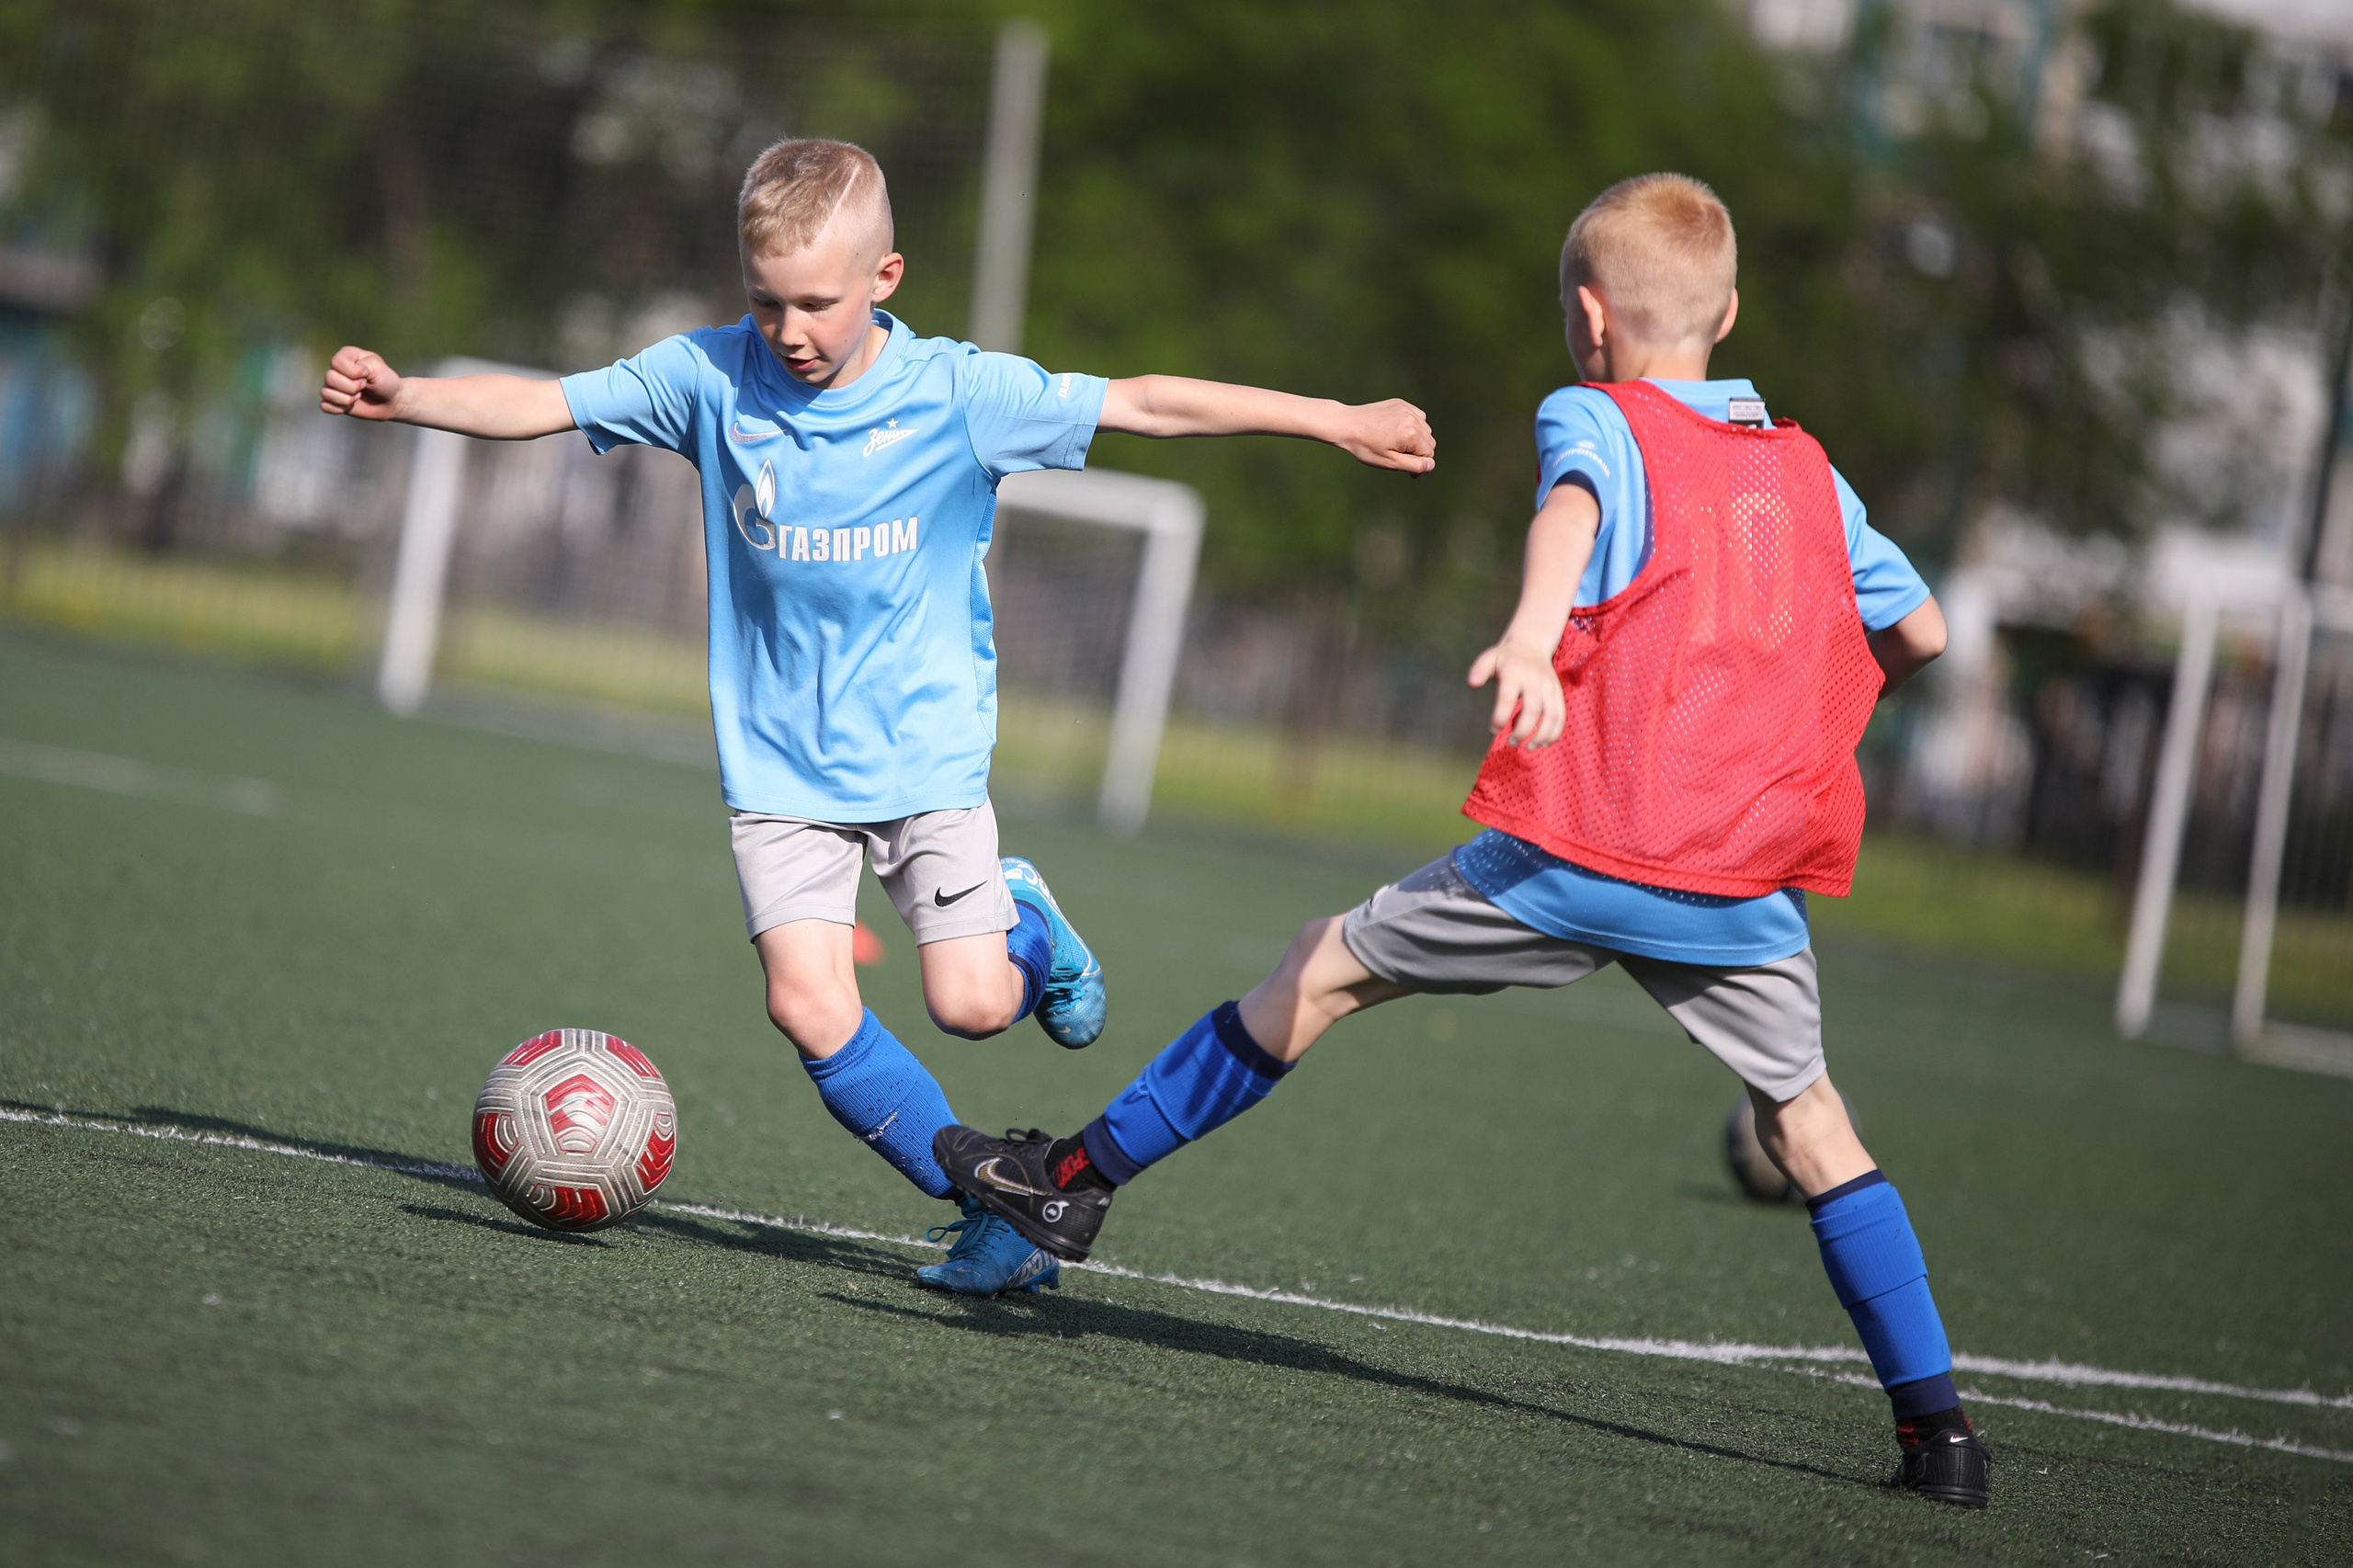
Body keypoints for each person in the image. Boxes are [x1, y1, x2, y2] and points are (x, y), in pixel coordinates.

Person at [932, 173, 1988, 1508]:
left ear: (1589, 317)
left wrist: (1536, 633)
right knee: (1814, 1124)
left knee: (1318, 968)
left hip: (1581, 846)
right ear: (1729, 314)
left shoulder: (1595, 414)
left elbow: (1573, 512)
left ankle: (1070, 1181)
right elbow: (1921, 632)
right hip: (1734, 875)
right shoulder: (1805, 474)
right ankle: (1940, 1435)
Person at [319, 138, 1434, 1298]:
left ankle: (1028, 919)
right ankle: (993, 1202)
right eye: (766, 301)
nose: (788, 330)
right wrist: (410, 399)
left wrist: (1335, 419)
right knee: (806, 1003)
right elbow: (547, 401)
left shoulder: (960, 395)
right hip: (777, 769)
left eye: (816, 303)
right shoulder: (708, 376)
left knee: (974, 1006)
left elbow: (1147, 401)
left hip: (924, 756)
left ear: (884, 278)